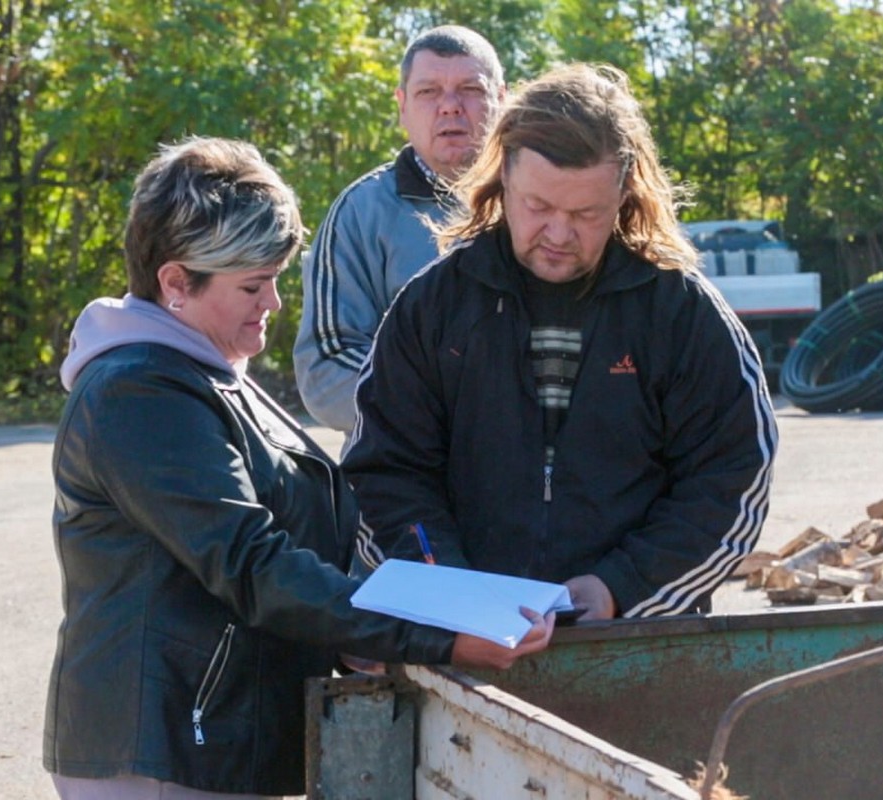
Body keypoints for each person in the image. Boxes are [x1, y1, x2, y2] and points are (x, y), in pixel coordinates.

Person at [43, 136, 552, 800]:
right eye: (253, 285)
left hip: (207, 737)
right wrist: (434, 636)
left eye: (277, 279)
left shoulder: (202, 372)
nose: (275, 304)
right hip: (162, 751)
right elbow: (252, 563)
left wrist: (355, 637)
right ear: (175, 283)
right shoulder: (141, 394)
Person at [342, 64, 778, 621]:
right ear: (503, 181)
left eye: (585, 214)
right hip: (463, 642)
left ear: (624, 194)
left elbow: (732, 478)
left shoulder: (683, 314)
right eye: (538, 207)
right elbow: (386, 473)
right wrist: (450, 593)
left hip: (640, 650)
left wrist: (622, 587)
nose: (557, 234)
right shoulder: (432, 307)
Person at [293, 25, 505, 435]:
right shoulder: (359, 213)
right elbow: (327, 363)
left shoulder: (546, 203)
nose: (450, 106)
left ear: (502, 99)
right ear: (402, 106)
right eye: (429, 92)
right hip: (410, 481)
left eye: (470, 89)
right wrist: (442, 415)